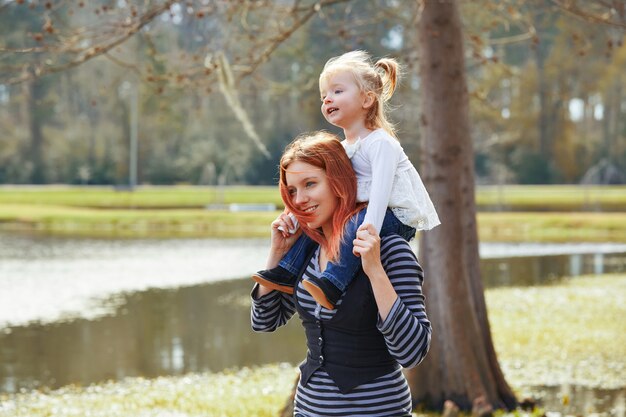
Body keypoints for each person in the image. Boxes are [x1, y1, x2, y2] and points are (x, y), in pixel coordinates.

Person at [251, 131, 432, 417]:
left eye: (310, 184)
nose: (300, 199)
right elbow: (264, 320)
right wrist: (277, 252)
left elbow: (412, 351)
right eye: (292, 190)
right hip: (309, 409)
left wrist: (374, 270)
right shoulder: (306, 250)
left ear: (339, 182)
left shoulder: (390, 249)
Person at [252, 50, 439, 309]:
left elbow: (381, 193)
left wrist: (368, 233)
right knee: (316, 222)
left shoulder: (381, 143)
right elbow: (334, 187)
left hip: (393, 216)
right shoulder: (343, 147)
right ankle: (286, 270)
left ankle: (332, 284)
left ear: (367, 99)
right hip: (363, 213)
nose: (328, 99)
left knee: (352, 224)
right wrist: (296, 218)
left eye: (337, 92)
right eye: (324, 96)